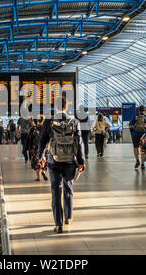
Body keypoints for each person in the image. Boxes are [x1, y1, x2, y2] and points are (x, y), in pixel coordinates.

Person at [39, 96, 86, 233]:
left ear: (55, 107)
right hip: (70, 161)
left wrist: (41, 156)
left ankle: (58, 224)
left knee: (56, 190)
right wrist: (81, 161)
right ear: (67, 107)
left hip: (54, 161)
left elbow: (42, 141)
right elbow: (80, 142)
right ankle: (69, 217)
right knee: (68, 188)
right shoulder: (74, 121)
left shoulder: (49, 121)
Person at [129, 105, 146, 169]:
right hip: (143, 135)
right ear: (144, 110)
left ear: (139, 110)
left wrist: (132, 132)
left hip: (135, 134)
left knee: (135, 147)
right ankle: (142, 164)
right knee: (143, 149)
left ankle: (137, 161)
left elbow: (130, 125)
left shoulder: (135, 116)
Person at [27, 115, 48, 181]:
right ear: (43, 120)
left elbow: (29, 137)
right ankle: (43, 172)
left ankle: (38, 177)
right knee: (44, 160)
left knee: (36, 162)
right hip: (44, 147)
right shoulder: (46, 128)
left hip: (35, 147)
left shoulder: (33, 128)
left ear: (37, 120)